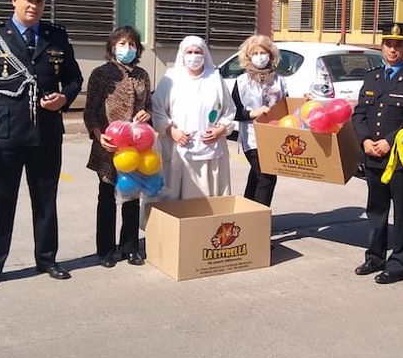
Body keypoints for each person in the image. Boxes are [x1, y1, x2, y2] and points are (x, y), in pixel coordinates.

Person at [0, 0, 83, 291]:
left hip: (46, 134)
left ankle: (47, 259)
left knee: (45, 201)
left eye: (40, 2)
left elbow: (73, 78)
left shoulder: (56, 35)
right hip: (6, 134)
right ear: (13, 0)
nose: (34, 6)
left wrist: (65, 99)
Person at [351, 22, 403, 284]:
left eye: (398, 45)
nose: (392, 50)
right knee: (376, 210)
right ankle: (374, 258)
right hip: (373, 156)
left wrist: (389, 141)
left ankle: (398, 264)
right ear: (382, 46)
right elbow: (359, 113)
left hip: (399, 160)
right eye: (388, 44)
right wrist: (365, 141)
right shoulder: (371, 76)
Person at [83, 26, 152, 268]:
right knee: (107, 196)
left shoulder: (142, 75)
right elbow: (90, 110)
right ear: (112, 47)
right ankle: (105, 250)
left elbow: (149, 105)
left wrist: (147, 114)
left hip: (135, 145)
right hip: (109, 144)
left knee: (132, 195)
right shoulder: (102, 74)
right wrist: (98, 135)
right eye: (122, 44)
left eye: (132, 44)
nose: (127, 48)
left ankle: (130, 247)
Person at [151, 36, 236, 199]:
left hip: (210, 151)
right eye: (189, 51)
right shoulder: (172, 78)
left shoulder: (215, 78)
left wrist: (220, 129)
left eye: (198, 52)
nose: (193, 55)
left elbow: (229, 110)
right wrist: (170, 131)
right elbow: (157, 109)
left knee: (209, 197)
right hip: (179, 150)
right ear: (182, 54)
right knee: (176, 198)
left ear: (205, 54)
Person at [231, 34, 287, 206]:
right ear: (248, 57)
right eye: (255, 53)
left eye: (263, 52)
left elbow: (286, 108)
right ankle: (260, 218)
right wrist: (251, 113)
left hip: (273, 138)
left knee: (256, 175)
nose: (260, 56)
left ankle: (247, 212)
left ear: (271, 55)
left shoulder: (280, 81)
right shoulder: (242, 82)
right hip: (252, 138)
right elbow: (233, 111)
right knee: (267, 177)